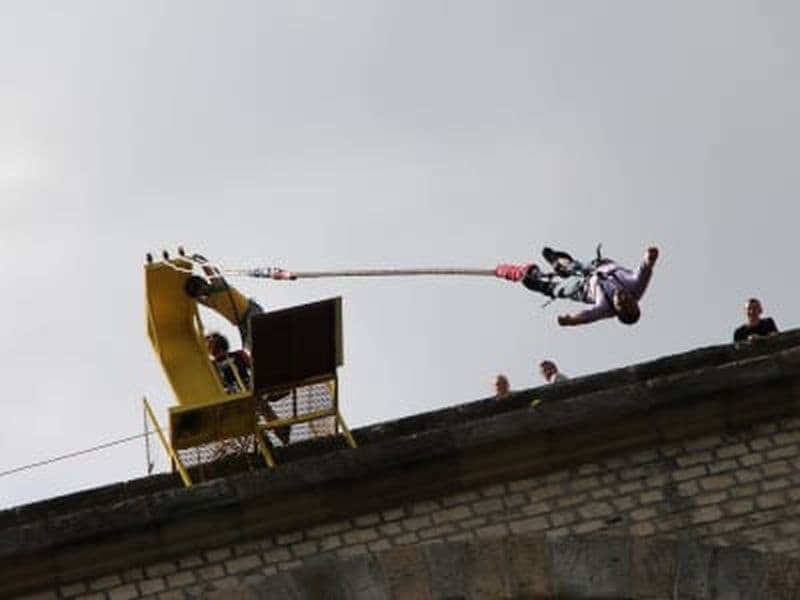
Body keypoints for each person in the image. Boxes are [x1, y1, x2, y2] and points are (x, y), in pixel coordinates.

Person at [496, 245, 659, 326]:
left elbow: (585, 317)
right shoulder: (636, 286)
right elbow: (646, 268)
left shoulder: (604, 309)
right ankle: (560, 263)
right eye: (628, 298)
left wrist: (569, 321)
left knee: (563, 289)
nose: (622, 295)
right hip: (597, 267)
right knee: (570, 267)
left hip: (583, 287)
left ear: (616, 310)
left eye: (620, 302)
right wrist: (649, 256)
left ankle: (544, 285)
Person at [184, 254, 263, 349]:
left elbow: (209, 270)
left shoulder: (218, 286)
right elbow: (194, 299)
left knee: (253, 335)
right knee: (248, 347)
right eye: (199, 293)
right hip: (241, 323)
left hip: (250, 311)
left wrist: (198, 259)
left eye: (200, 289)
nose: (202, 292)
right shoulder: (209, 301)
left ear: (203, 284)